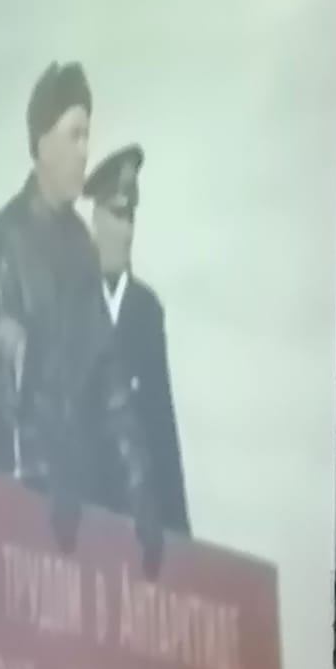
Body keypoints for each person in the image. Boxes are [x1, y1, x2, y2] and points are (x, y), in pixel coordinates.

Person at [0, 61, 164, 576]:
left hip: (77, 509)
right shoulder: (10, 238)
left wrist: (141, 485)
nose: (84, 150)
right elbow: (1, 387)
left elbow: (109, 379)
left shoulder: (82, 249)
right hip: (24, 508)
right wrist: (34, 479)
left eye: (87, 135)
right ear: (42, 142)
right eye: (74, 135)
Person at [84, 144, 190, 536]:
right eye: (116, 216)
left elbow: (162, 421)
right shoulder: (71, 302)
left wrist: (177, 527)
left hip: (139, 522)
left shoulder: (146, 311)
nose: (126, 232)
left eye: (131, 218)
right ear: (95, 220)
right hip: (85, 516)